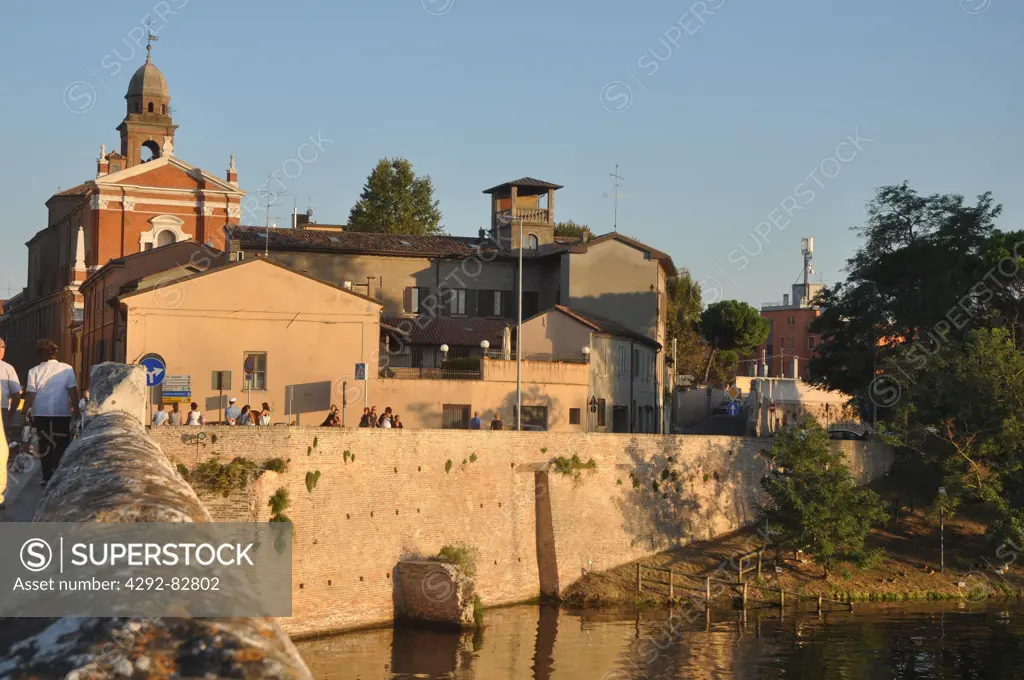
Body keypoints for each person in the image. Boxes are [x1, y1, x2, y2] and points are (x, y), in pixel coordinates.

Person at [22, 339, 80, 487]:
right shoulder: (67, 369)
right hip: (61, 412)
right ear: (55, 353)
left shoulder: (33, 371)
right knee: (61, 443)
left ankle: (46, 476)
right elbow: (73, 391)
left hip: (41, 412)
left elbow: (30, 394)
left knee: (45, 443)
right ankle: (58, 473)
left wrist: (24, 412)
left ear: (39, 354)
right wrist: (77, 411)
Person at [0, 338, 22, 434]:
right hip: (2, 410)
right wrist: (10, 416)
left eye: (3, 347)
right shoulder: (7, 368)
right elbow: (17, 396)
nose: (2, 350)